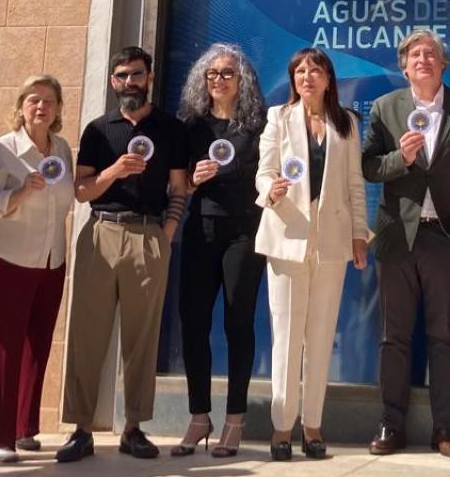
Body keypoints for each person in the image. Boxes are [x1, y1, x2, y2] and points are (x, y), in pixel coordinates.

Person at [56, 47, 191, 463]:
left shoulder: (170, 129)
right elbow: (81, 191)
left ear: (149, 77)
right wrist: (114, 171)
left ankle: (134, 427)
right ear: (113, 82)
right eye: (121, 76)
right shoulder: (98, 130)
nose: (129, 82)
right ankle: (81, 428)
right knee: (87, 334)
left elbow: (179, 188)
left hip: (149, 235)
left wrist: (167, 233)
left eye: (135, 74)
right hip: (101, 232)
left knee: (142, 337)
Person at [360, 28, 450, 458]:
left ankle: (445, 429)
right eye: (415, 55)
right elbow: (369, 166)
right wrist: (402, 159)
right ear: (404, 66)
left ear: (443, 63)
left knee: (444, 336)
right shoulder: (385, 107)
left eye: (431, 53)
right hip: (398, 235)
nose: (423, 60)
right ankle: (390, 425)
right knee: (393, 337)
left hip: (447, 236)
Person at [255, 47, 371, 461]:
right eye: (300, 71)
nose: (307, 76)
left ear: (328, 78)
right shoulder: (277, 118)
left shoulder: (347, 123)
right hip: (287, 235)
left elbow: (355, 184)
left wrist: (359, 235)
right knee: (286, 338)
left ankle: (313, 426)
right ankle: (282, 427)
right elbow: (263, 171)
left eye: (315, 70)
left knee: (321, 337)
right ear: (293, 79)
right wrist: (271, 190)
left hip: (331, 241)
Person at [0, 75, 76, 463]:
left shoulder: (62, 149)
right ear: (21, 106)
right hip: (8, 257)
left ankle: (23, 427)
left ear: (58, 108)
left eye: (49, 100)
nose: (41, 106)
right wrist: (21, 191)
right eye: (33, 100)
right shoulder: (3, 149)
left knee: (37, 344)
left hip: (51, 258)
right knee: (2, 347)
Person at [174, 43, 269, 457]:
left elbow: (268, 176)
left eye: (228, 73)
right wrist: (193, 179)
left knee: (238, 323)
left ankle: (235, 419)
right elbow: (178, 185)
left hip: (244, 233)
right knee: (193, 321)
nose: (219, 80)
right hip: (202, 229)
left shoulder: (259, 126)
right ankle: (199, 416)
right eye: (212, 73)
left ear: (242, 79)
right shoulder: (191, 126)